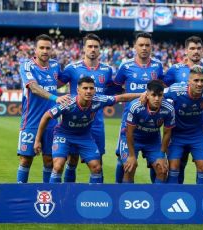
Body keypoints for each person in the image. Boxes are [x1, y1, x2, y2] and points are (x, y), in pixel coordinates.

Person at [33, 77, 141, 183]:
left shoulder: (98, 100)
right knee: (57, 166)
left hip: (84, 136)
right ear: (78, 90)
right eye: (85, 88)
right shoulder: (68, 103)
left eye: (91, 88)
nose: (88, 91)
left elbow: (121, 98)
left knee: (97, 167)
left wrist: (142, 95)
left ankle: (94, 198)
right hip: (64, 135)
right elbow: (46, 116)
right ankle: (54, 196)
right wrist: (37, 140)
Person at [58, 33, 116, 183]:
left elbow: (111, 90)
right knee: (72, 160)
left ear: (100, 49)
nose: (93, 49)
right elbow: (56, 85)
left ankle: (97, 198)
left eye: (96, 47)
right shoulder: (72, 68)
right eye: (89, 46)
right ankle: (68, 194)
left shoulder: (107, 70)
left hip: (96, 124)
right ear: (83, 48)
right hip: (74, 123)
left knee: (98, 163)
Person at [163, 36, 203, 184]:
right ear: (186, 51)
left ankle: (201, 197)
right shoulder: (174, 70)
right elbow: (163, 90)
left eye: (198, 48)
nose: (196, 51)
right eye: (192, 48)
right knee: (178, 164)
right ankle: (176, 196)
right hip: (178, 125)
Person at [16, 34, 71, 183]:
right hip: (31, 122)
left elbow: (59, 82)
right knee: (25, 159)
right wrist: (55, 98)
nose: (45, 51)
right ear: (35, 50)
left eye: (48, 48)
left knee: (49, 160)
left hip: (52, 123)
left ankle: (47, 195)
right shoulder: (27, 66)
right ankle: (20, 193)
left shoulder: (54, 65)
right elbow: (33, 88)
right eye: (41, 48)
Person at [113, 32, 164, 183]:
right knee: (126, 164)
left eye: (147, 45)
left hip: (152, 125)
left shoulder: (158, 66)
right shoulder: (126, 66)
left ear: (151, 47)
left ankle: (157, 197)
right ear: (135, 46)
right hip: (130, 123)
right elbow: (116, 88)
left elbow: (161, 90)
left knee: (160, 167)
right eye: (141, 45)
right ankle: (119, 191)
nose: (144, 48)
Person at [120, 80, 175, 184]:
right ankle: (126, 197)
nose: (157, 99)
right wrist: (131, 156)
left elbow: (167, 133)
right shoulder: (135, 106)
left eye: (160, 95)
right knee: (129, 168)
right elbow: (129, 133)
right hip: (133, 139)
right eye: (153, 95)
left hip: (152, 140)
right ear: (147, 94)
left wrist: (162, 155)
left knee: (162, 170)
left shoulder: (168, 109)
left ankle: (157, 198)